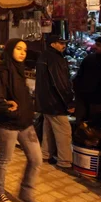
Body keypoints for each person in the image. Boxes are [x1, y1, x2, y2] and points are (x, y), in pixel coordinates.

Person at [0, 39, 42, 202]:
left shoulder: (20, 70)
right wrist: (9, 109)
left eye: (25, 50)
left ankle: (26, 193)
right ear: (10, 49)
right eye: (19, 49)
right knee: (5, 159)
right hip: (8, 124)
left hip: (25, 123)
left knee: (36, 159)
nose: (22, 52)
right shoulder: (3, 70)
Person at [36, 35, 75, 169]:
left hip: (45, 101)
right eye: (61, 43)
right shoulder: (56, 59)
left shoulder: (43, 56)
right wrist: (69, 102)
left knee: (48, 129)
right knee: (64, 131)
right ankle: (64, 161)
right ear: (53, 44)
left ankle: (45, 154)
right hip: (55, 102)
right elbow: (60, 82)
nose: (63, 46)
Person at [73, 34, 101, 125]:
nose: (95, 47)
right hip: (83, 97)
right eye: (96, 44)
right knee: (80, 124)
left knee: (95, 124)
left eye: (99, 45)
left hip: (100, 100)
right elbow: (79, 75)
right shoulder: (90, 58)